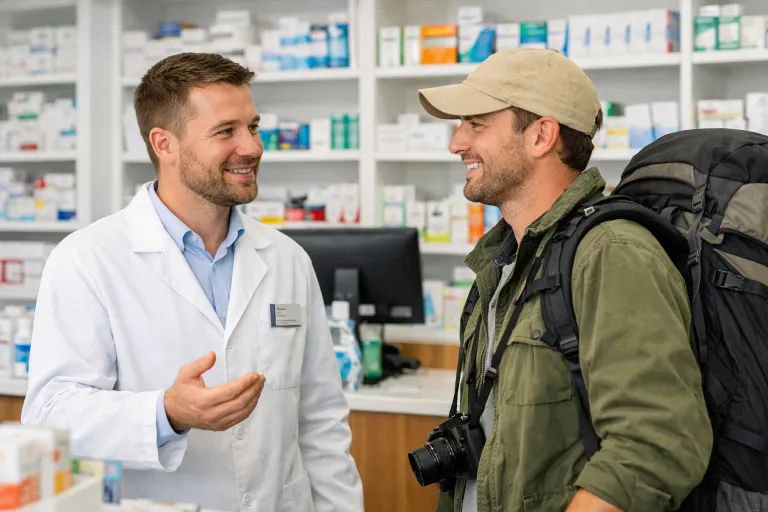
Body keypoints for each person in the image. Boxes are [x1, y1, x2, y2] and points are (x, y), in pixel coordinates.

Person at [22, 53, 364, 512]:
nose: (252, 147)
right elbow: (50, 415)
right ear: (164, 144)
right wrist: (166, 412)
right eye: (226, 132)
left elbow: (321, 420)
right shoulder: (87, 260)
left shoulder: (287, 259)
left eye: (253, 127)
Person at [417, 48, 713, 512]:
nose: (456, 143)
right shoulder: (504, 262)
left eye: (476, 124)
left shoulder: (611, 253)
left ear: (541, 136)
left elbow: (657, 442)